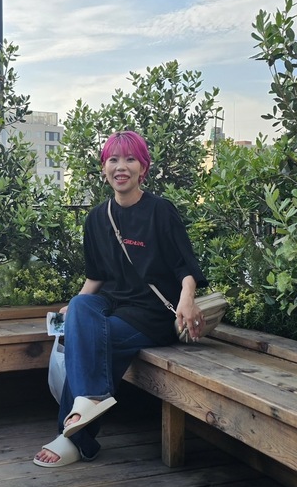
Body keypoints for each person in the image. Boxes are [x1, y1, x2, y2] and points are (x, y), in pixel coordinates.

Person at [33, 130, 208, 468]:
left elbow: (185, 265)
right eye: (113, 159)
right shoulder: (97, 218)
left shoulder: (160, 211)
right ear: (104, 168)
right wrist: (74, 307)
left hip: (151, 313)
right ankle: (91, 399)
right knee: (81, 308)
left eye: (130, 159)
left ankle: (75, 438)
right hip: (112, 305)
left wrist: (187, 298)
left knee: (95, 339)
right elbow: (96, 276)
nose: (121, 166)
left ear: (144, 168)